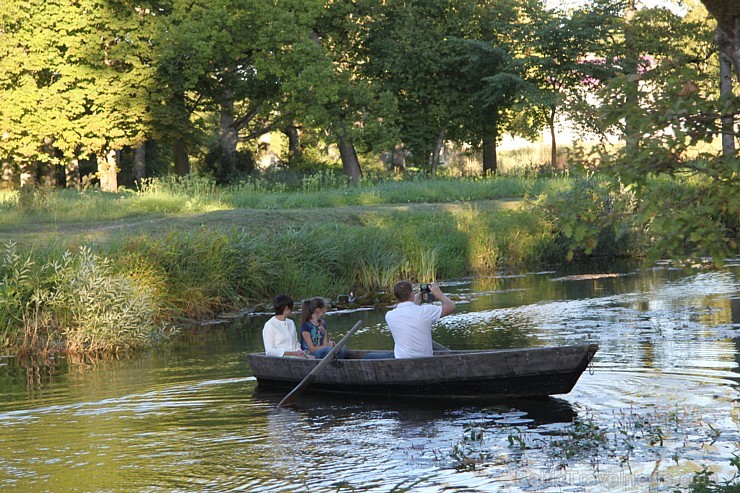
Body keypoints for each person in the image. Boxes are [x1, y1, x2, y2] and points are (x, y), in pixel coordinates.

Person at [385, 281, 455, 359]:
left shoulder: (389, 316)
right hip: (426, 360)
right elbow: (451, 307)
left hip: (401, 361)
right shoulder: (426, 311)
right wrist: (439, 294)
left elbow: (408, 311)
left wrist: (414, 301)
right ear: (411, 295)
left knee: (370, 355)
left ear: (396, 297)